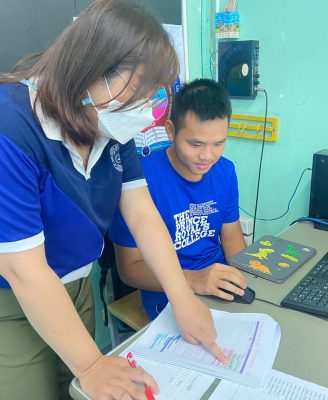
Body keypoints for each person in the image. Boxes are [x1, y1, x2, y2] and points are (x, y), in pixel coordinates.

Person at [0, 2, 225, 400]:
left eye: (152, 97)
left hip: (77, 287)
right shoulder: (11, 128)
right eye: (137, 94)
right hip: (13, 299)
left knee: (75, 391)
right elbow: (23, 271)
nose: (145, 112)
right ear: (89, 70)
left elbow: (142, 215)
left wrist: (182, 296)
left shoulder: (109, 125)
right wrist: (91, 364)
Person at [109, 78, 248, 320]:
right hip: (167, 293)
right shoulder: (137, 183)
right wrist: (192, 280)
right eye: (195, 144)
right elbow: (129, 269)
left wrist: (245, 283)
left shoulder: (225, 171)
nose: (207, 156)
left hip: (218, 285)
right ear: (171, 131)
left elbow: (232, 240)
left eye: (218, 144)